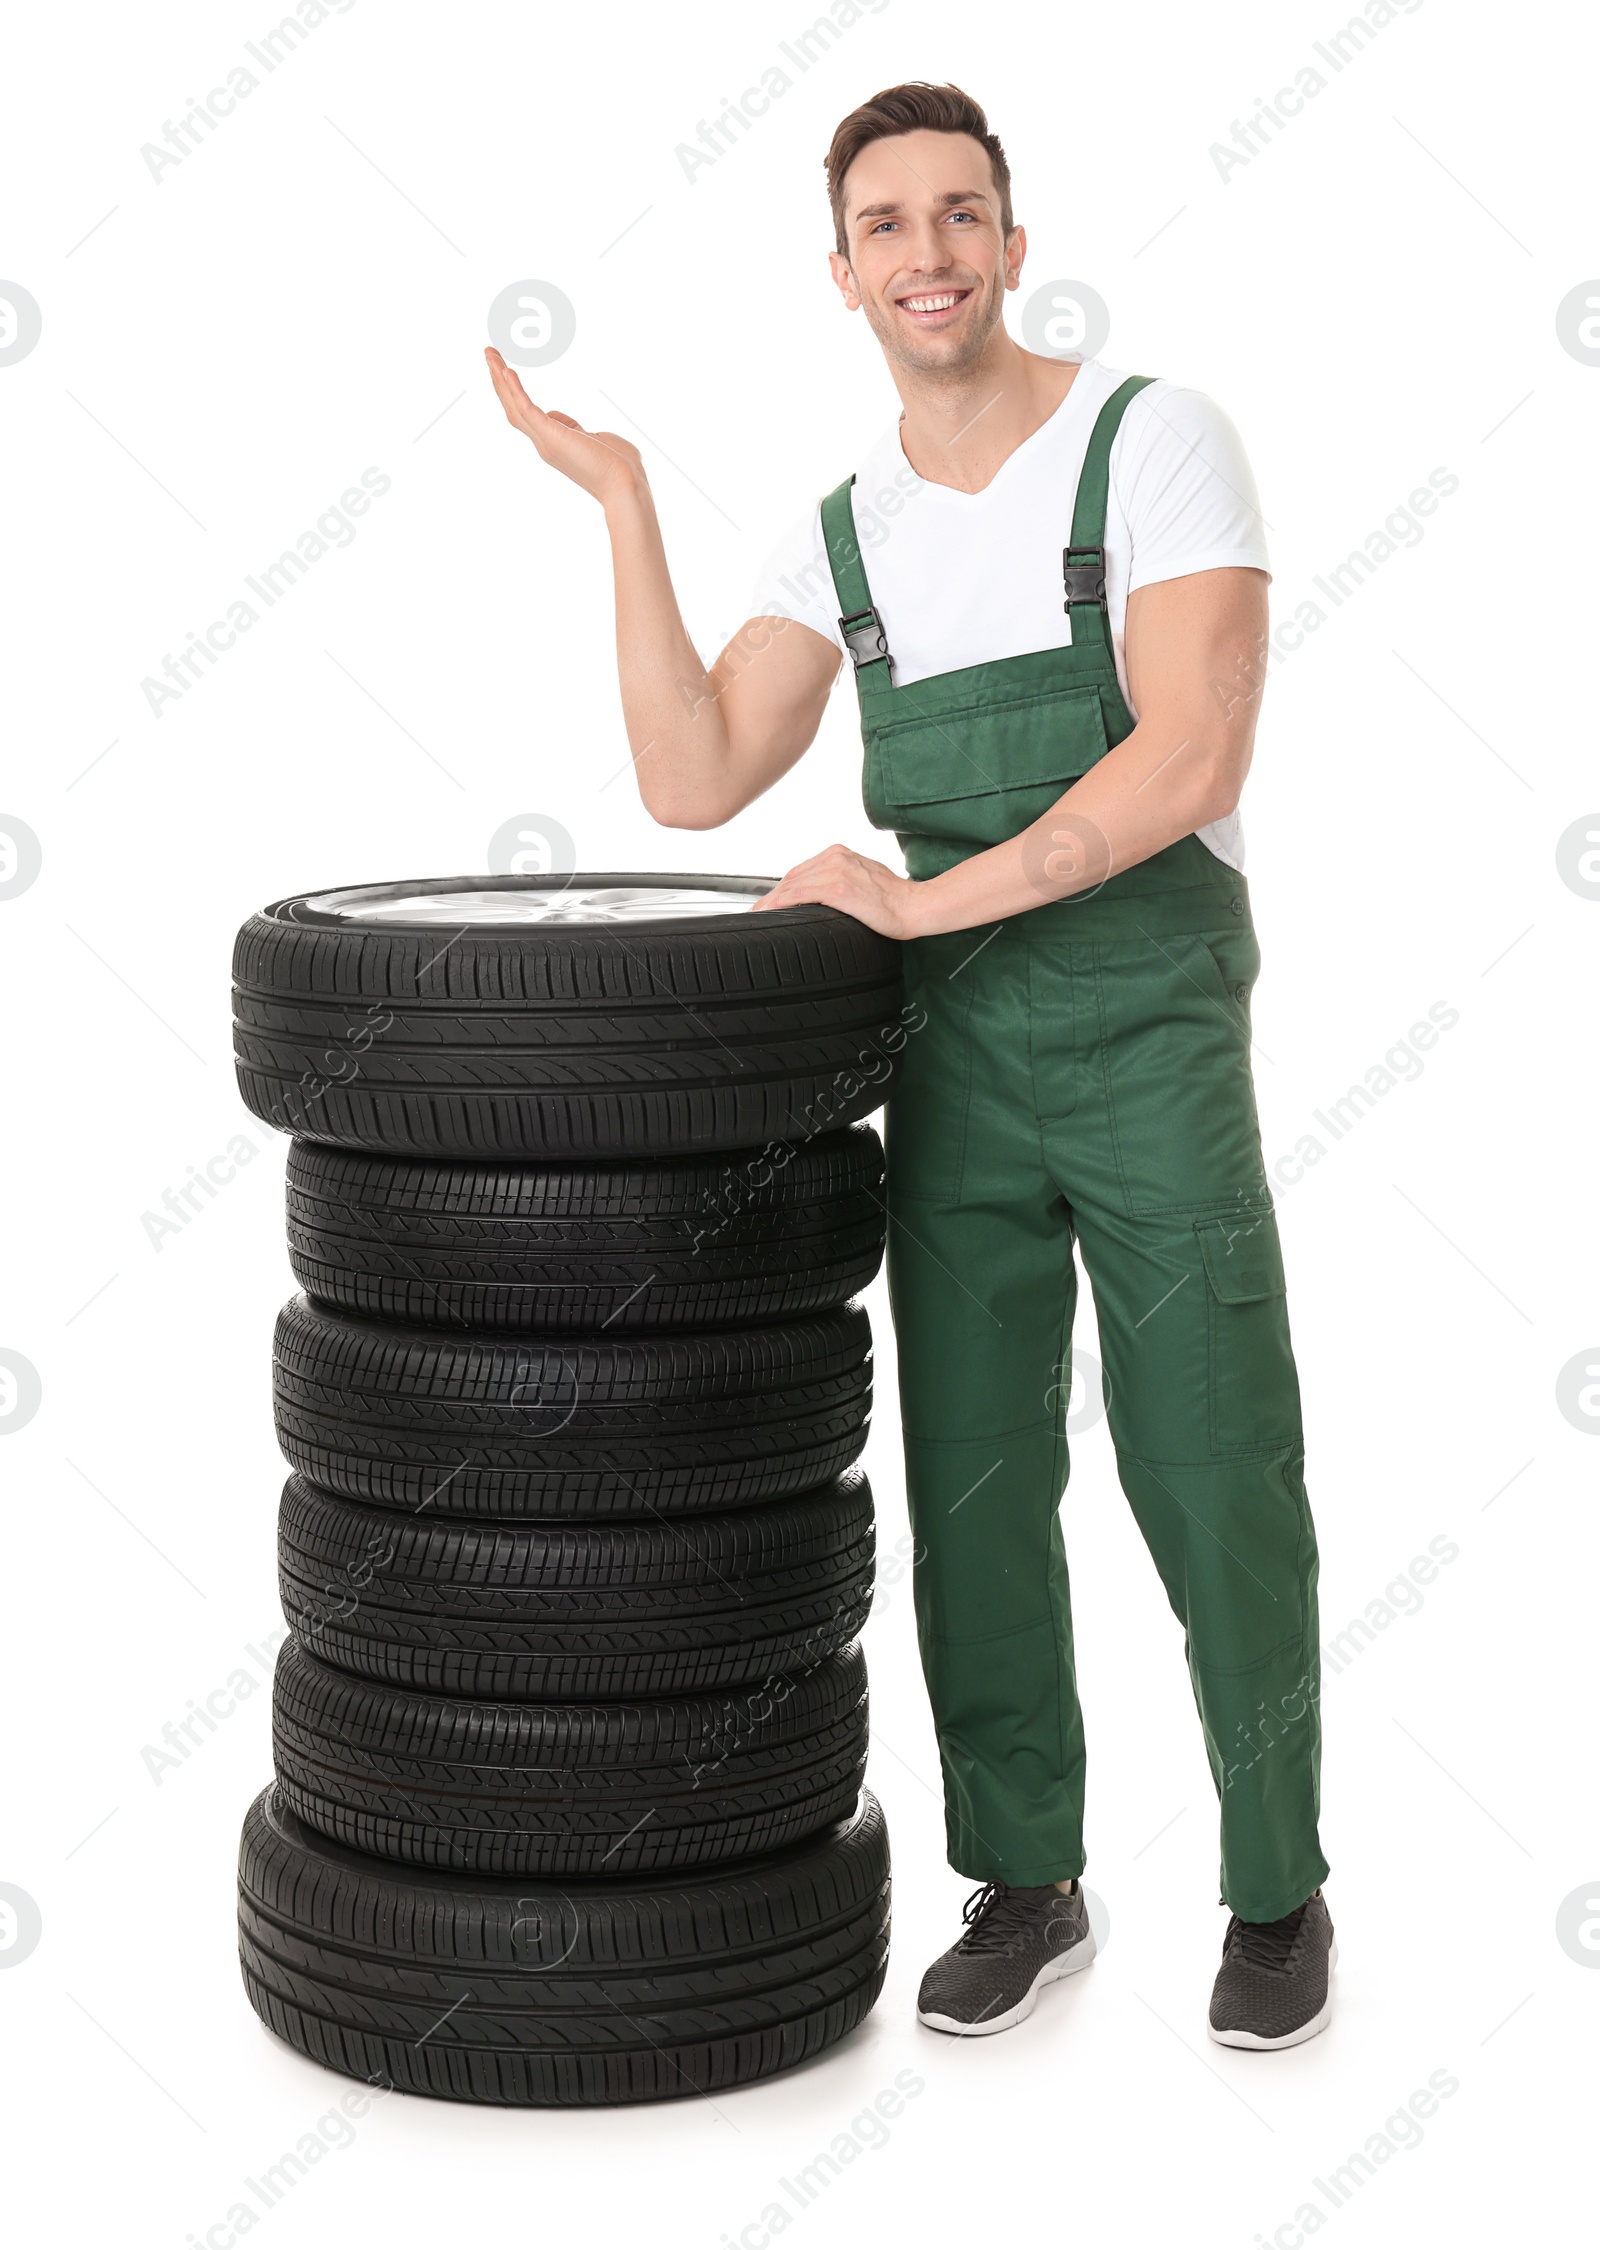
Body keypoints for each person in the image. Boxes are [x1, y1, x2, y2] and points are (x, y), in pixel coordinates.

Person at [485, 79, 1333, 2051]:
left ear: (1014, 247)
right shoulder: (839, 534)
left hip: (1140, 1031)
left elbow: (1187, 757)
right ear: (842, 271)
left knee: (1212, 1469)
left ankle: (1276, 1888)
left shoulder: (1151, 446)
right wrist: (622, 507)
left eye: (962, 213)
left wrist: (914, 910)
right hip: (943, 1066)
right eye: (887, 223)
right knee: (967, 1487)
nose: (928, 252)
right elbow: (693, 773)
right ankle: (1022, 1880)